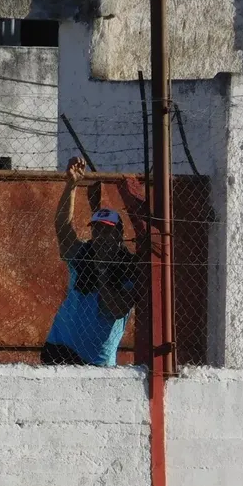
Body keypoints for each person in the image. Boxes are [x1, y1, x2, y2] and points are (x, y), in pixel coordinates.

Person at [41, 157, 140, 367]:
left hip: (96, 359)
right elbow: (62, 226)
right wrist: (71, 185)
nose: (101, 236)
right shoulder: (83, 253)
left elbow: (115, 309)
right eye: (97, 230)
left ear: (119, 234)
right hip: (59, 346)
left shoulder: (128, 267)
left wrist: (103, 269)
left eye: (107, 230)